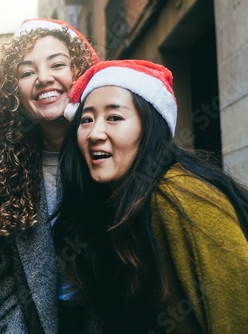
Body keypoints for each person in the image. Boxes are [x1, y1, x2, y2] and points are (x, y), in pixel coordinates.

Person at [54, 59, 248, 333]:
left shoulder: (179, 195)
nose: (95, 133)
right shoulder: (112, 205)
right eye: (86, 120)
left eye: (114, 117)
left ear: (150, 129)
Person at [0, 18, 99, 333]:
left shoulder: (112, 153)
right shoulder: (6, 169)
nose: (43, 79)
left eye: (58, 65)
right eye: (26, 72)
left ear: (79, 73)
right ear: (15, 94)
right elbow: (6, 283)